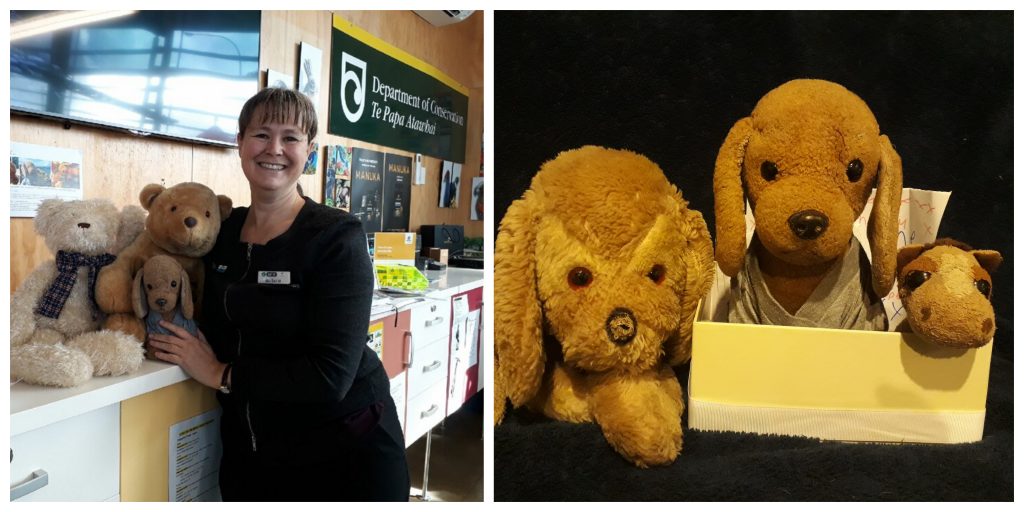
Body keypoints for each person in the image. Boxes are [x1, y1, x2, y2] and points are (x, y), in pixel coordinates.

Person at [148, 87, 410, 501]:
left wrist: (220, 374)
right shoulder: (224, 233)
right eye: (261, 134)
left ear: (310, 149)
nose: (274, 148)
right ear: (239, 143)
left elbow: (330, 376)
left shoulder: (336, 236)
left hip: (345, 451)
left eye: (290, 137)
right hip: (253, 450)